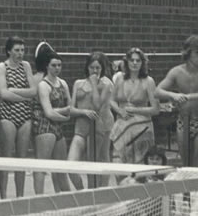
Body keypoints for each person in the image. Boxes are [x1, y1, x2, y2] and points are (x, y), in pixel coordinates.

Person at [155, 35, 198, 216]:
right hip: (184, 121)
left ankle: (194, 214)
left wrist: (188, 96)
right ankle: (185, 211)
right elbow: (158, 91)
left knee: (196, 165)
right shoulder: (177, 72)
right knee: (186, 165)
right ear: (188, 53)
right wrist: (173, 95)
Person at [0, 36, 36, 199]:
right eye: (17, 50)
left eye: (22, 50)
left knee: (22, 158)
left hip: (25, 115)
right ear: (9, 51)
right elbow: (3, 93)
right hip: (8, 114)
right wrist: (24, 97)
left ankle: (20, 196)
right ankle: (3, 197)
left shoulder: (25, 66)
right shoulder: (2, 67)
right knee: (6, 156)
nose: (20, 53)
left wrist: (15, 91)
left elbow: (34, 91)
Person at [67, 52, 114, 189]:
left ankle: (98, 193)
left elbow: (97, 106)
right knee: (70, 164)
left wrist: (94, 84)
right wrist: (83, 112)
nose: (94, 71)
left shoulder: (107, 84)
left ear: (102, 68)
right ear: (87, 67)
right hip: (81, 128)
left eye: (98, 68)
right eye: (92, 67)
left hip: (100, 127)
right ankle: (83, 192)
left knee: (97, 161)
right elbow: (72, 109)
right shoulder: (78, 83)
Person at [110, 47, 159, 166]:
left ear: (143, 63)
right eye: (132, 60)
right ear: (127, 62)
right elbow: (111, 100)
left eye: (138, 60)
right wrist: (120, 111)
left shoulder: (148, 81)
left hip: (141, 128)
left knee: (140, 166)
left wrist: (135, 109)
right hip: (122, 126)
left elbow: (155, 109)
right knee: (118, 164)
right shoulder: (120, 79)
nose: (135, 63)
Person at [32, 51, 71, 194]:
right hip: (44, 125)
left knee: (61, 167)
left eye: (59, 65)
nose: (57, 68)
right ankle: (38, 199)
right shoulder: (43, 85)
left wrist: (63, 113)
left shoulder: (63, 83)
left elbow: (70, 106)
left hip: (57, 125)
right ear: (47, 67)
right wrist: (65, 115)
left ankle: (65, 198)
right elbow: (48, 112)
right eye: (54, 65)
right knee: (42, 166)